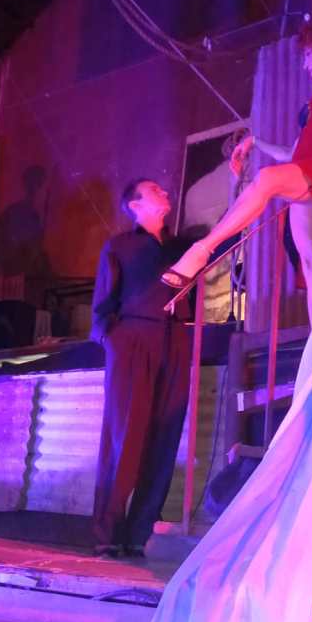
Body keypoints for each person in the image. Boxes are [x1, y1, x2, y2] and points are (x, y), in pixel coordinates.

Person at [162, 13, 312, 324]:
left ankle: (201, 250)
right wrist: (255, 142)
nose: (306, 65)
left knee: (265, 180)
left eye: (308, 55)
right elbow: (292, 152)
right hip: (305, 170)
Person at [90, 178, 192, 558]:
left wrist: (240, 180)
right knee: (125, 435)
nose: (164, 191)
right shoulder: (120, 245)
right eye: (154, 189)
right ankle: (108, 533)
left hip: (175, 337)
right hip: (132, 337)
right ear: (135, 205)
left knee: (164, 436)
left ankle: (139, 533)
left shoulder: (182, 247)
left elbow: (225, 239)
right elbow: (103, 305)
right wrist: (113, 340)